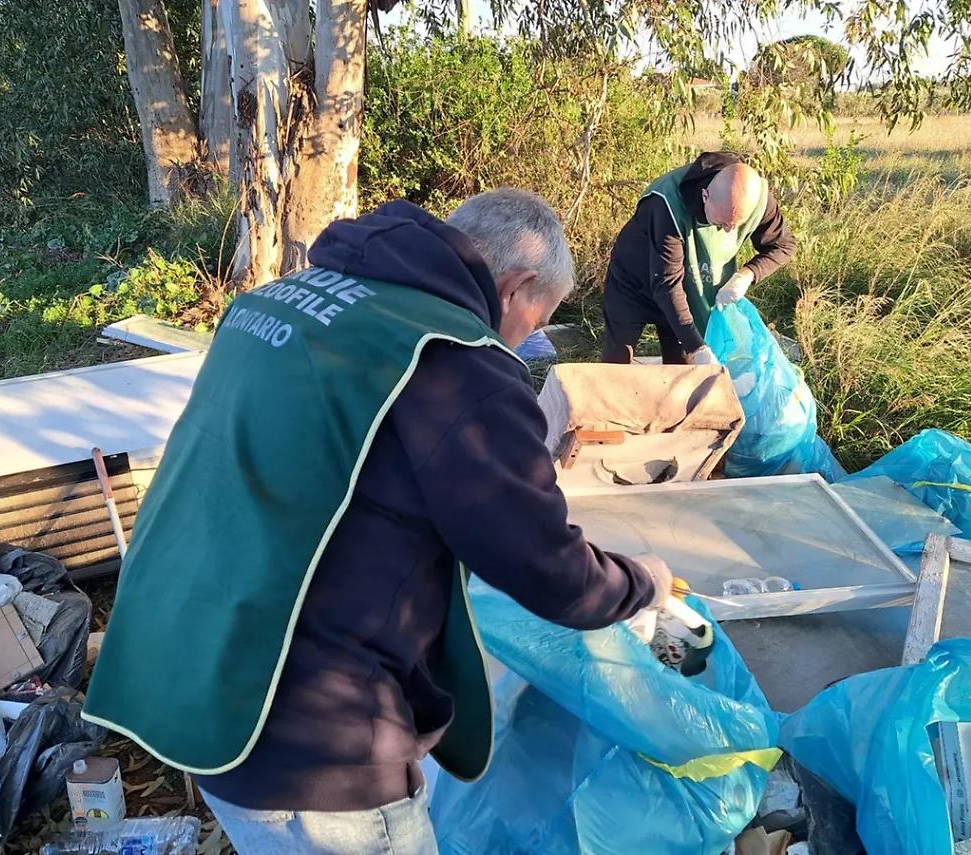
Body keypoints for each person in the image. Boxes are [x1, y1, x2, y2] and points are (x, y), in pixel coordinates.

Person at [82, 189, 675, 854]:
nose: (521, 339)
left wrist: (415, 698)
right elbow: (549, 570)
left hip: (193, 685)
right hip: (313, 757)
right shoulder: (457, 363)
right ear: (517, 286)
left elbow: (344, 503)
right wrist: (643, 581)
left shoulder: (284, 301)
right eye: (540, 318)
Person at [601, 151, 797, 365]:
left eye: (736, 225)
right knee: (617, 365)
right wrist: (697, 347)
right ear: (705, 196)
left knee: (683, 374)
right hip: (634, 285)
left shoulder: (756, 197)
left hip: (688, 291)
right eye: (722, 223)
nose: (728, 231)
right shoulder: (666, 203)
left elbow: (783, 245)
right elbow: (667, 285)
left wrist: (746, 275)